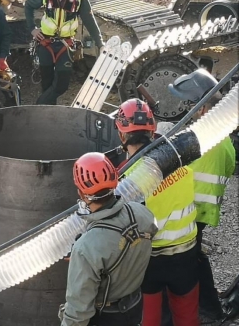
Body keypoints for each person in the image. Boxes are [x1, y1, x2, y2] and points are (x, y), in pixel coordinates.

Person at [114, 98, 200, 326]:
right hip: (187, 251)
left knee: (148, 318)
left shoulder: (128, 181)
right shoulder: (180, 157)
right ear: (152, 130)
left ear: (122, 135)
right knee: (187, 315)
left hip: (150, 261)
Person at [60, 152, 157, 326]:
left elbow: (78, 313)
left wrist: (85, 259)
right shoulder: (142, 214)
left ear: (82, 194)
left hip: (106, 317)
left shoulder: (85, 248)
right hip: (134, 307)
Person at [169, 69, 236, 321]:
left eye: (189, 105)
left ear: (204, 108)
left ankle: (208, 310)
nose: (184, 111)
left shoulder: (201, 140)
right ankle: (207, 309)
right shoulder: (224, 139)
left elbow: (170, 171)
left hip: (190, 210)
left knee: (186, 261)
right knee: (193, 257)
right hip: (202, 211)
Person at [25, 0, 103, 105]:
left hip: (65, 44)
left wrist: (100, 43)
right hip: (45, 42)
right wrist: (32, 29)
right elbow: (28, 6)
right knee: (47, 83)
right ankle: (49, 115)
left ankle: (37, 107)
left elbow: (89, 21)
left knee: (62, 84)